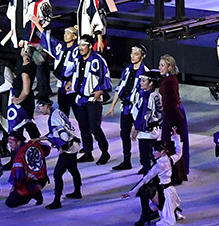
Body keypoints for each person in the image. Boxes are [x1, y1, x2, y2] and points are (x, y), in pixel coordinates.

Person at [107, 44, 148, 170]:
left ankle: (146, 163)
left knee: (142, 135)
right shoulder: (127, 69)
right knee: (124, 133)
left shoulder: (145, 72)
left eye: (136, 54)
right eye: (132, 53)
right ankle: (126, 160)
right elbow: (120, 87)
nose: (132, 56)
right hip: (126, 107)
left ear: (143, 56)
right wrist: (113, 105)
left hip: (137, 108)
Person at [71, 35, 111, 164]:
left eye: (83, 45)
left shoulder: (98, 60)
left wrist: (101, 90)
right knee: (83, 127)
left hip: (93, 100)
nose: (80, 48)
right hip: (80, 98)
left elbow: (105, 77)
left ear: (89, 46)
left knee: (94, 127)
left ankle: (105, 152)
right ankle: (88, 152)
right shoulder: (78, 59)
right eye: (79, 45)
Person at [124, 138, 180, 226]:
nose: (153, 153)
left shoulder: (159, 165)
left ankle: (146, 214)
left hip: (164, 193)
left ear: (162, 152)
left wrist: (132, 192)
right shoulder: (170, 159)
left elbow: (145, 179)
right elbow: (179, 153)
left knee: (144, 190)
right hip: (168, 191)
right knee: (147, 191)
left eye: (155, 151)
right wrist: (177, 140)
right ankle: (151, 212)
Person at [40, 99, 83, 208]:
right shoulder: (57, 112)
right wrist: (40, 138)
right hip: (74, 143)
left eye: (40, 107)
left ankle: (57, 200)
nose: (39, 110)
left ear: (46, 106)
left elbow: (61, 133)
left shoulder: (53, 118)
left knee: (57, 174)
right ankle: (77, 192)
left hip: (68, 146)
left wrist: (62, 147)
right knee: (73, 169)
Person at [155, 54, 189, 183]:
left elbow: (172, 100)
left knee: (172, 143)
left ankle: (176, 175)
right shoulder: (170, 79)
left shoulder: (169, 81)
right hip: (172, 113)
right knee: (170, 143)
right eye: (160, 65)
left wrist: (166, 114)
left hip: (172, 115)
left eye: (162, 65)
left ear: (169, 67)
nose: (160, 67)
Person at [4, 130, 51, 208]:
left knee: (10, 203)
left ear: (18, 142)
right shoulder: (34, 144)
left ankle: (33, 194)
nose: (10, 146)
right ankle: (36, 193)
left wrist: (14, 188)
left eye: (11, 143)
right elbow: (47, 148)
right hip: (43, 179)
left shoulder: (19, 157)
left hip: (31, 183)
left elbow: (19, 179)